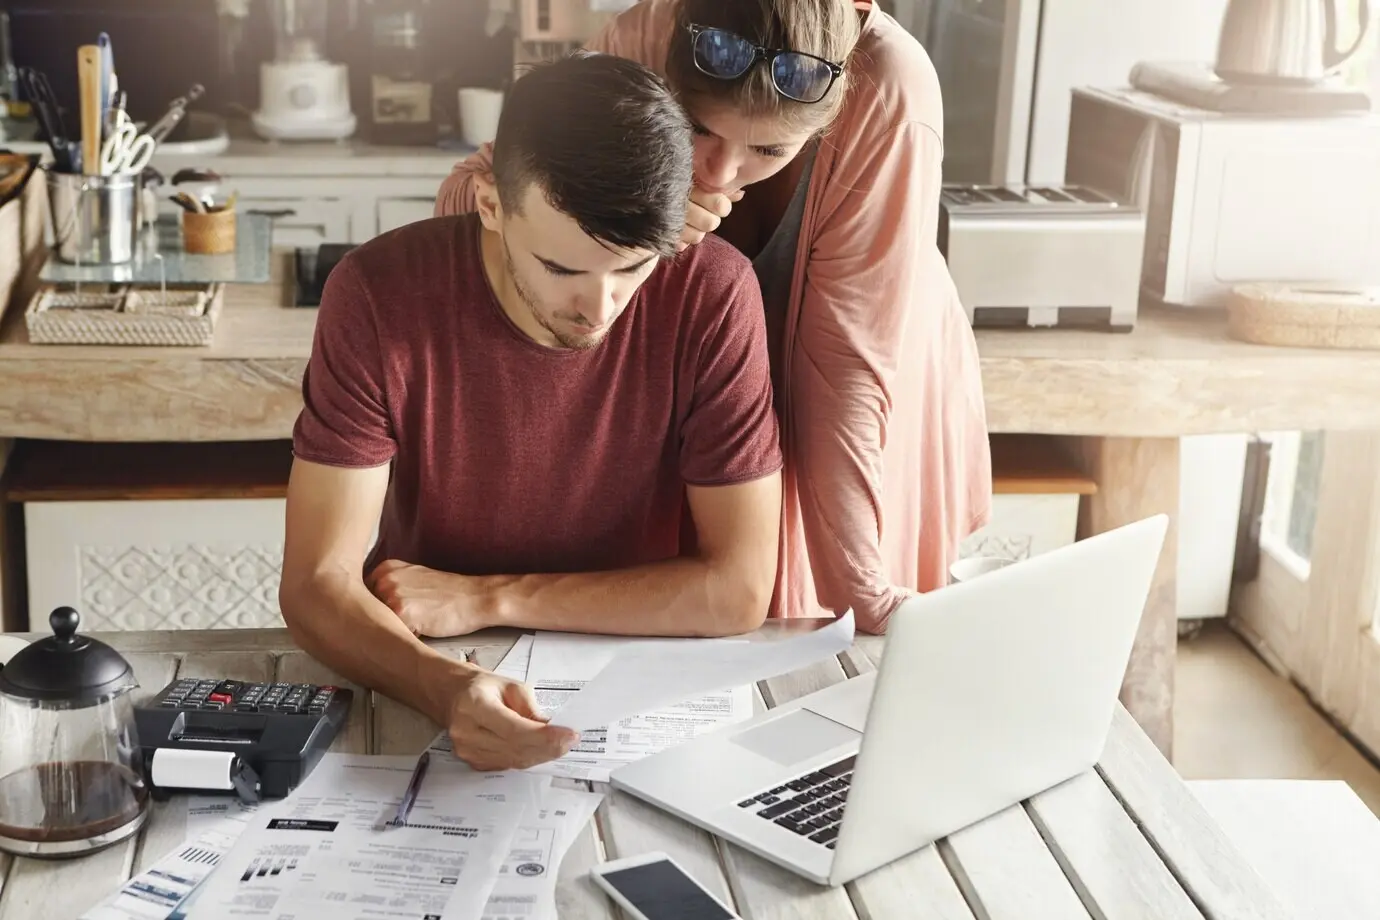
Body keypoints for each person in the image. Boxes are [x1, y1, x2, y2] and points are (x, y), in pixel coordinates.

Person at [279, 51, 784, 772]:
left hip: (640, 685)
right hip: (434, 661)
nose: (600, 308)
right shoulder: (376, 295)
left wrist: (489, 597)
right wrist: (448, 689)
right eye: (561, 268)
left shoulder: (715, 295)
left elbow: (737, 592)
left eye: (634, 267)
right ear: (489, 203)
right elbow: (315, 584)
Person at [436, 0, 993, 635]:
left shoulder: (888, 87)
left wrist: (864, 585)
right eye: (697, 127)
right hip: (712, 407)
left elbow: (846, 367)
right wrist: (638, 204)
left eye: (770, 147)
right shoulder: (643, 37)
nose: (723, 171)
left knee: (838, 641)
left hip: (867, 392)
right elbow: (474, 196)